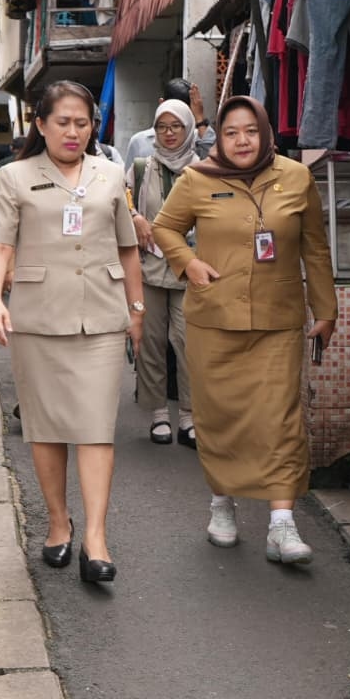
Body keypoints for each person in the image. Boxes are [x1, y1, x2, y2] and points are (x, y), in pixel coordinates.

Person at [152, 95, 337, 565]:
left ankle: (281, 523)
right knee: (220, 418)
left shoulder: (295, 177)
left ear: (266, 132)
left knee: (281, 417)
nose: (241, 140)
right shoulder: (197, 180)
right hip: (214, 320)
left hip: (278, 320)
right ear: (218, 136)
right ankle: (222, 505)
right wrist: (189, 264)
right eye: (231, 132)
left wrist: (326, 308)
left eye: (250, 131)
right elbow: (164, 228)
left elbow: (315, 247)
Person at [0, 80, 145, 584]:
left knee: (97, 427)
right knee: (47, 427)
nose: (74, 132)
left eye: (83, 123)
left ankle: (95, 537)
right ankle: (58, 523)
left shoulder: (112, 173)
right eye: (63, 122)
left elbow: (127, 247)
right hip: (38, 317)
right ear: (40, 124)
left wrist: (136, 309)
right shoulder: (14, 177)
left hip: (100, 315)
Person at [126, 99, 199, 449]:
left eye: (176, 127)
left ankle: (188, 416)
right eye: (162, 127)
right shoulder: (142, 168)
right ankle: (158, 414)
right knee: (151, 343)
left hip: (190, 270)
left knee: (187, 343)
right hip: (149, 269)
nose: (169, 134)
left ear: (188, 129)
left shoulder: (203, 168)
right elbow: (121, 201)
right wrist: (135, 217)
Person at [122, 78, 209, 169]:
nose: (169, 133)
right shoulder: (139, 142)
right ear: (162, 104)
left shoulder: (198, 141)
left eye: (176, 125)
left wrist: (200, 118)